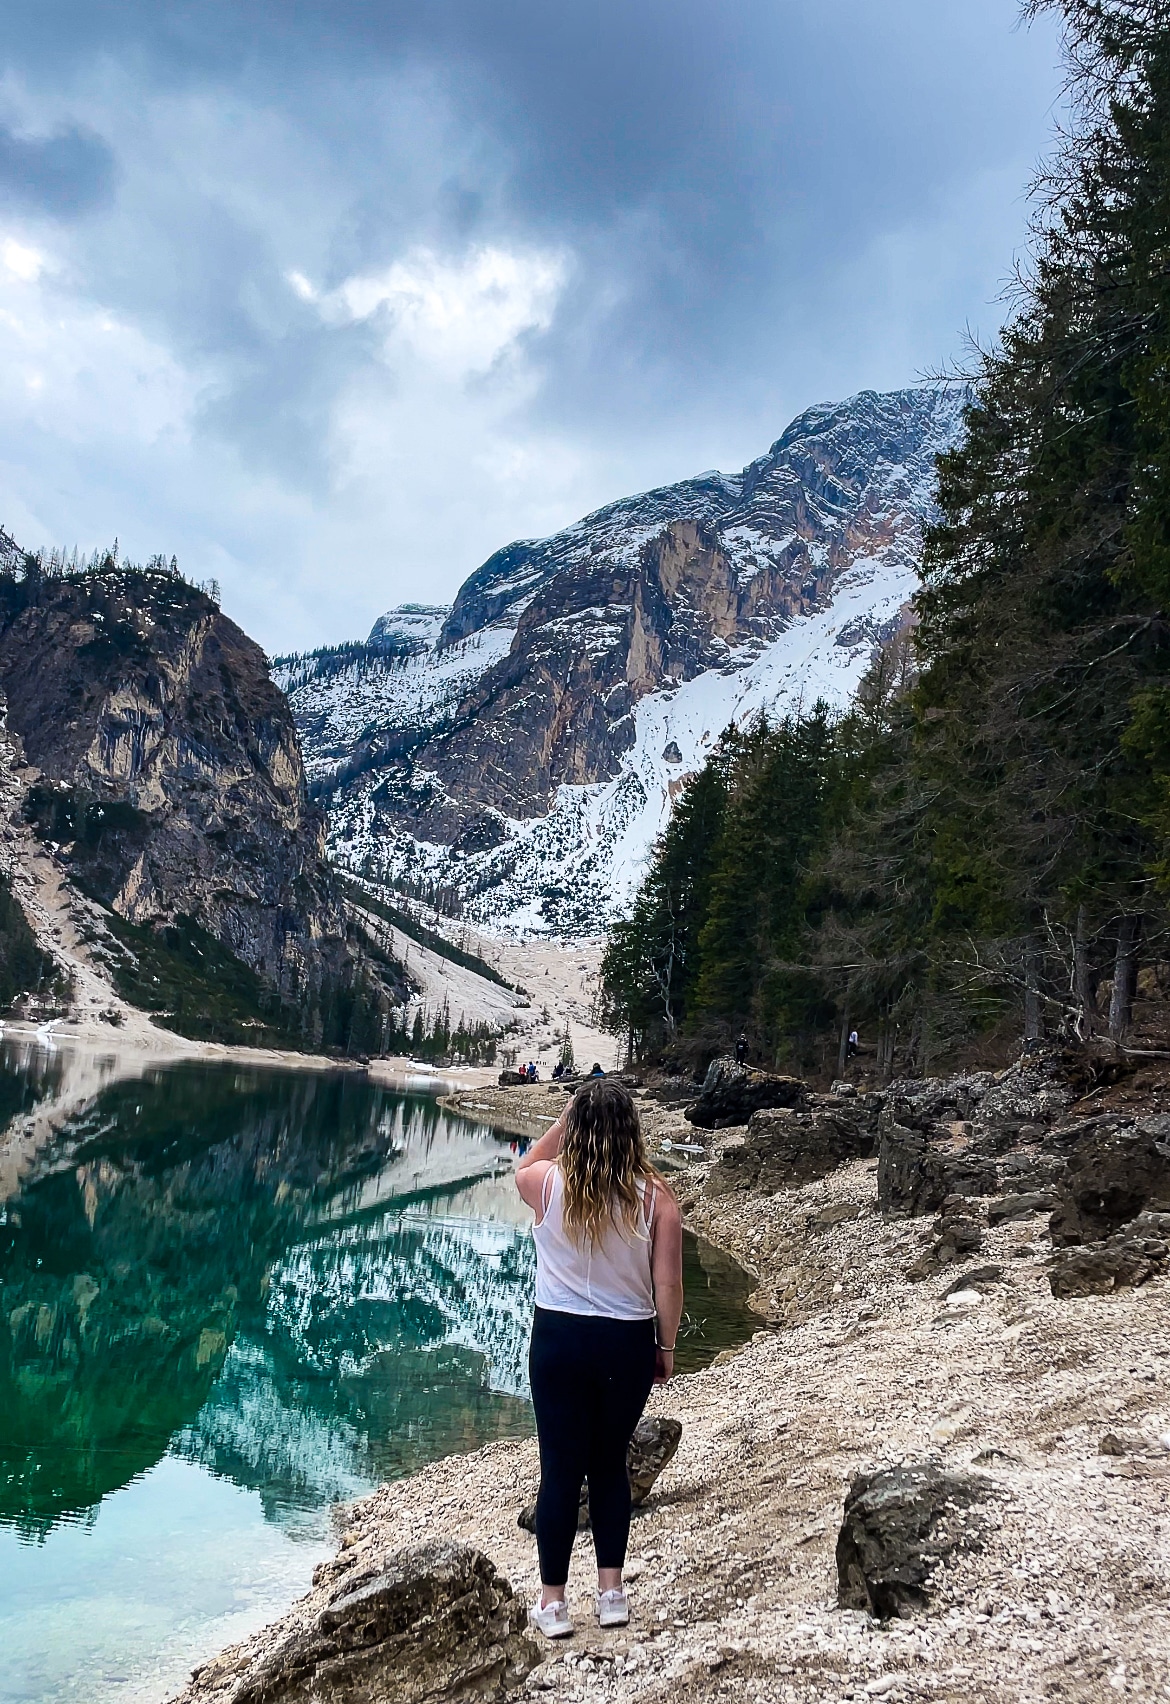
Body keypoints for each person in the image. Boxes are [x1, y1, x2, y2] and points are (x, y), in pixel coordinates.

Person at [515, 1081, 683, 1640]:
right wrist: (665, 1345)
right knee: (609, 1463)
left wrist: (564, 1120)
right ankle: (611, 1594)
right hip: (626, 1342)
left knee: (559, 1472)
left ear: (577, 1130)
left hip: (559, 1339)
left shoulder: (549, 1185)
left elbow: (526, 1164)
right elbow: (668, 1284)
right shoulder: (657, 1197)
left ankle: (554, 1604)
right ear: (632, 1131)